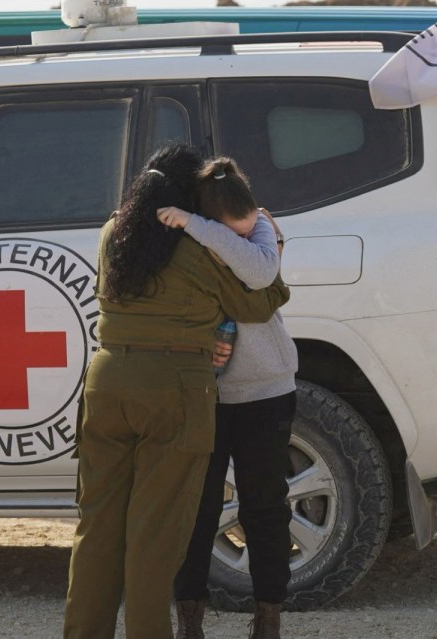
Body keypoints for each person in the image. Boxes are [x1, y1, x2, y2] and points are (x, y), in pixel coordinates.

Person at [62, 145, 291, 639]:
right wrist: (271, 242)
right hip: (174, 389)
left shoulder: (111, 232)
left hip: (106, 383)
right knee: (155, 535)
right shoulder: (198, 246)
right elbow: (258, 302)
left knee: (96, 529)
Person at [157, 157, 298, 639]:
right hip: (206, 393)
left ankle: (268, 619)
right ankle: (189, 620)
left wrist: (199, 225)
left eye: (248, 223)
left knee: (265, 506)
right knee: (195, 509)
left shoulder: (260, 226)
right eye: (231, 230)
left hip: (266, 390)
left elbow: (259, 275)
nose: (247, 231)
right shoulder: (186, 239)